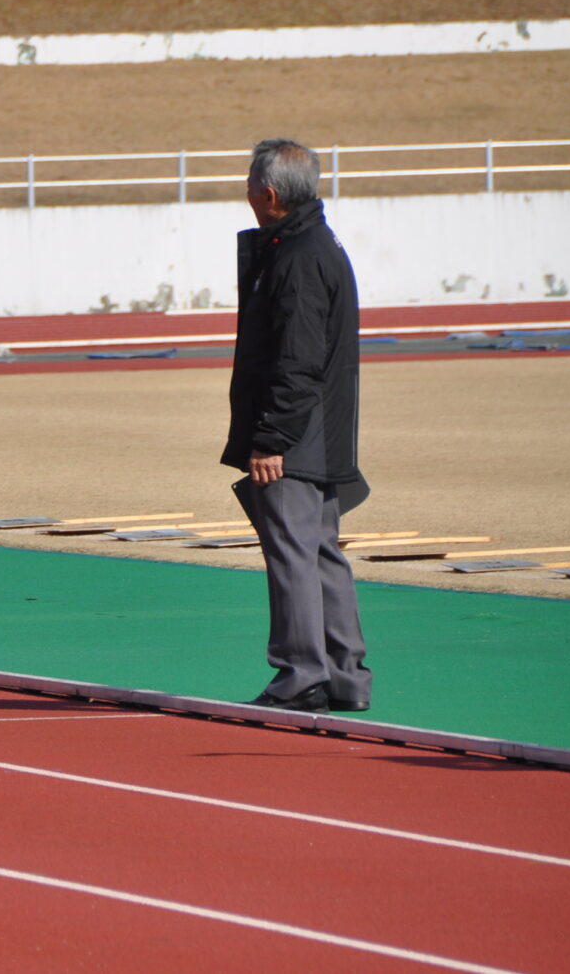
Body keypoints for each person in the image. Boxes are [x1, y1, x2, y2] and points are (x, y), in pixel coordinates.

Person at [223, 138, 371, 714]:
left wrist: (271, 438)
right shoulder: (315, 243)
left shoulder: (298, 256)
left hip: (297, 433)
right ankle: (343, 675)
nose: (246, 193)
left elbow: (296, 359)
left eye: (249, 185)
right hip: (321, 428)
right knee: (320, 550)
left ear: (269, 194)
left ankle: (302, 674)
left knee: (291, 552)